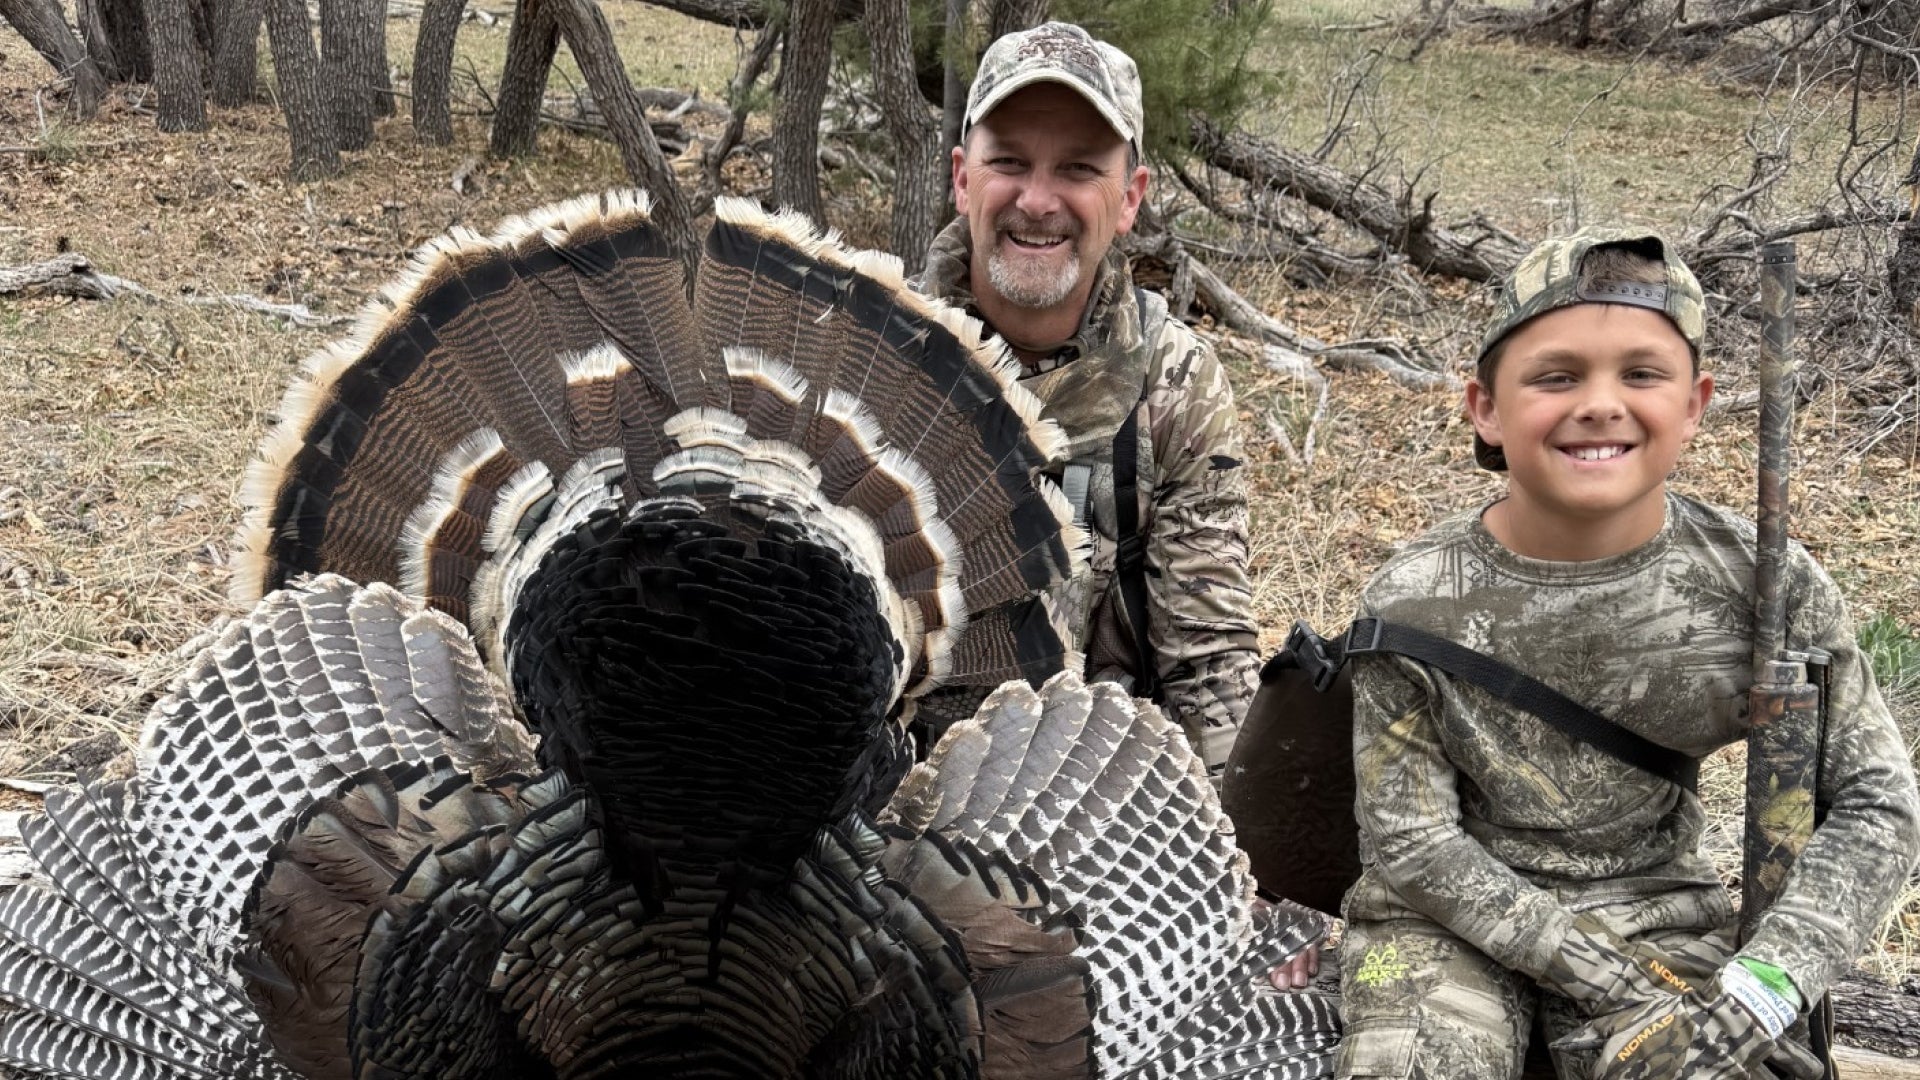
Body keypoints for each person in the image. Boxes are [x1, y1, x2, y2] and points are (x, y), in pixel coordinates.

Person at [1337, 226, 1920, 1078]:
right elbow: (1415, 845)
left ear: (1695, 403)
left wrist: (1764, 988)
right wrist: (1604, 979)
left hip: (1657, 914)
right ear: (1485, 407)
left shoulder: (1767, 586)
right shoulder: (1412, 600)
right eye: (1556, 376)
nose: (1601, 404)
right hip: (1438, 926)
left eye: (1642, 374)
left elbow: (1878, 803)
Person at [917, 21, 1260, 780]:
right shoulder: (868, 354)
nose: (1038, 200)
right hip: (884, 787)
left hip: (1086, 798)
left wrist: (1239, 825)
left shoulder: (1175, 383)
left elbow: (1208, 667)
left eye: (1078, 168)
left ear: (1129, 198)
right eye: (1009, 162)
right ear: (963, 179)